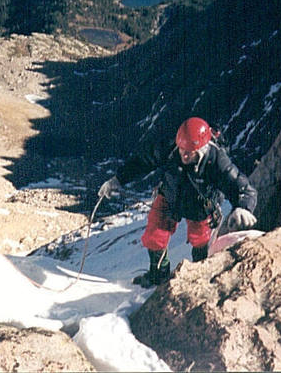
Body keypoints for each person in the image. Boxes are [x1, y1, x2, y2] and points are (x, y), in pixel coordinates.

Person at [98, 117, 258, 287]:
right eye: (182, 149)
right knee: (155, 235)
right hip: (170, 196)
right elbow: (142, 162)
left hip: (200, 205)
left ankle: (198, 275)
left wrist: (244, 207)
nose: (184, 154)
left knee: (200, 241)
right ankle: (158, 276)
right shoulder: (173, 148)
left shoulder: (217, 160)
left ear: (201, 149)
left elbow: (243, 188)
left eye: (189, 151)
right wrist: (118, 179)